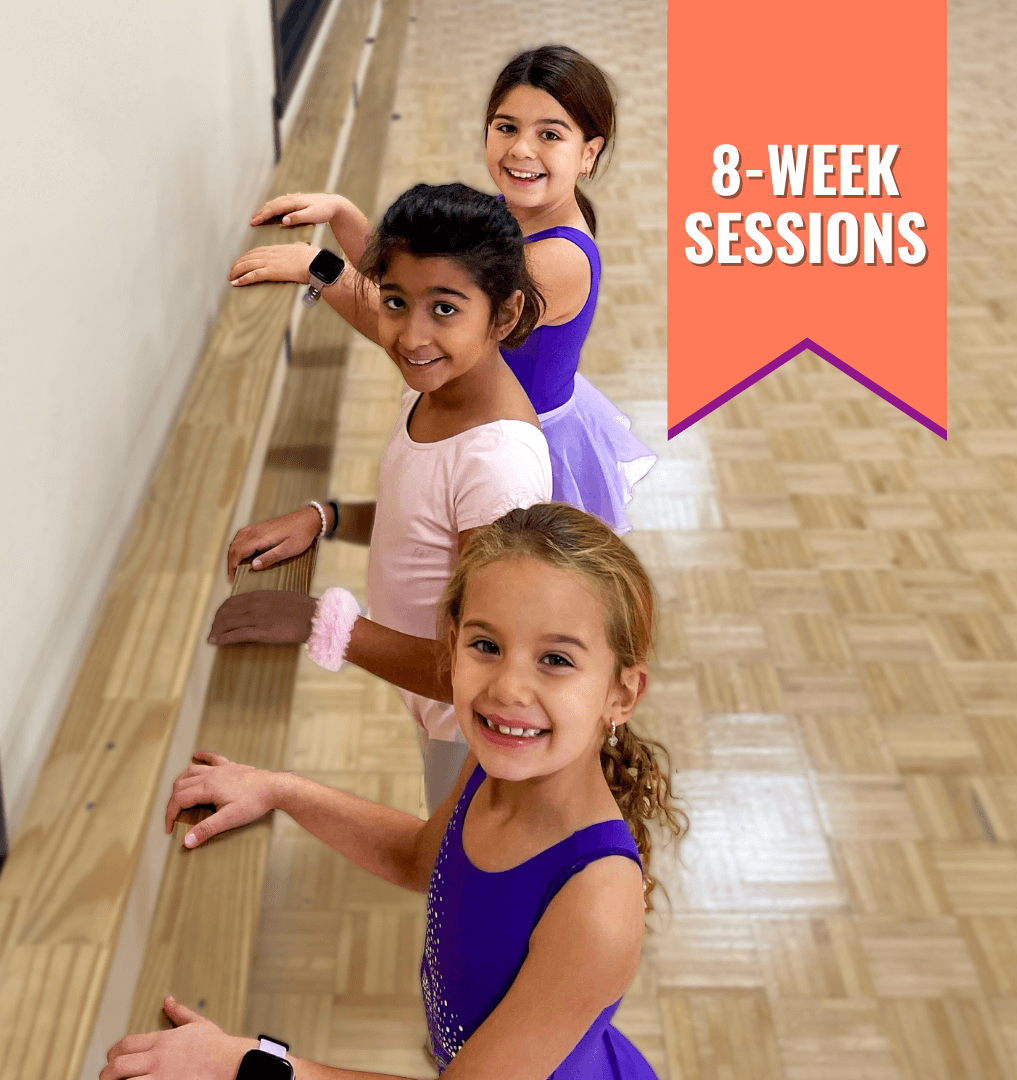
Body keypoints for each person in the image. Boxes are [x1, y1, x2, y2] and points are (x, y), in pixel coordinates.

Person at [102, 503, 685, 1080]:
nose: (507, 688)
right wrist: (280, 790)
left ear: (622, 694)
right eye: (485, 645)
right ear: (452, 643)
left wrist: (253, 1068)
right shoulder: (494, 763)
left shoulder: (597, 904)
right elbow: (420, 856)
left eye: (555, 659)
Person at [212, 183, 552, 809]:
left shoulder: (498, 466)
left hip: (479, 736)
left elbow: (481, 670)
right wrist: (327, 517)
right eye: (398, 303)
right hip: (442, 716)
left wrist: (324, 624)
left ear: (502, 315)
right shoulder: (439, 381)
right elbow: (422, 520)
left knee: (448, 875)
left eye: (445, 309)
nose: (409, 336)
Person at [229, 45, 654, 535]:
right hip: (487, 410)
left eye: (550, 135)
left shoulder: (557, 261)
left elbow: (423, 324)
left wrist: (320, 268)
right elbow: (416, 277)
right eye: (506, 126)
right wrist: (343, 215)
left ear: (588, 153)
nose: (520, 149)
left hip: (517, 446)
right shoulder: (512, 210)